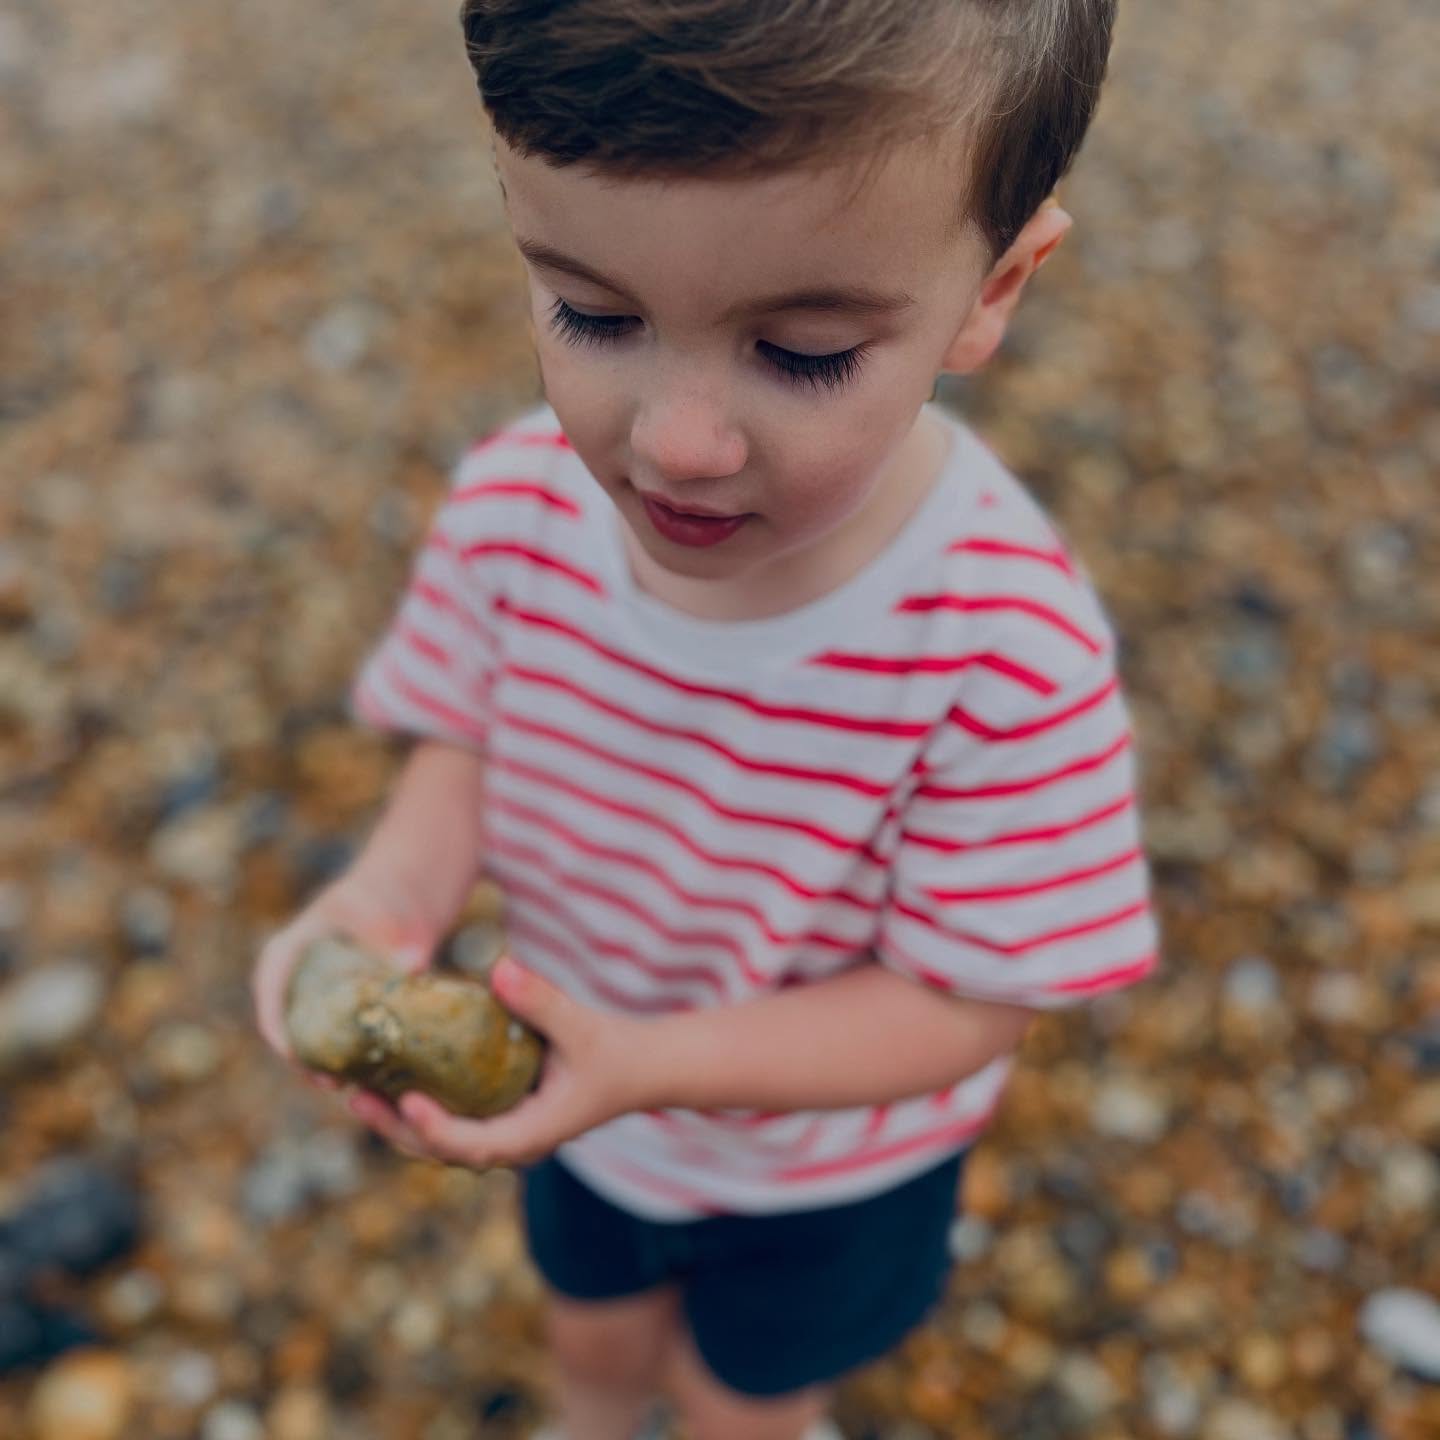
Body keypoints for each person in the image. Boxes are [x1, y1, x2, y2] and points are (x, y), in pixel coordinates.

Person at [252, 2, 1159, 1437]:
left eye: (800, 351)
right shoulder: (512, 511)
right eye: (594, 315)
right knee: (593, 1351)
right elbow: (463, 754)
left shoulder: (1004, 644)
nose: (676, 438)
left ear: (996, 285)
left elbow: (969, 999)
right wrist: (378, 908)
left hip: (825, 1172)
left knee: (744, 1404)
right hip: (574, 1114)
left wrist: (653, 1068)